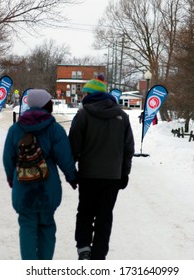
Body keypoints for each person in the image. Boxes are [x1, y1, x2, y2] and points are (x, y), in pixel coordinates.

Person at [3, 89, 78, 260]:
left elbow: (8, 158)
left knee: (27, 227)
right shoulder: (54, 129)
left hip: (23, 187)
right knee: (46, 226)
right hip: (48, 188)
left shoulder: (15, 129)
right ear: (45, 105)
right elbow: (65, 157)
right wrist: (71, 176)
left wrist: (11, 178)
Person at [69, 76, 135, 260]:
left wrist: (71, 173)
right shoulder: (123, 116)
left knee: (85, 213)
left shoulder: (83, 115)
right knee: (104, 217)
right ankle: (99, 256)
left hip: (88, 176)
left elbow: (73, 146)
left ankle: (84, 249)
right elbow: (128, 149)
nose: (82, 97)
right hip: (112, 178)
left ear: (90, 94)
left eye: (84, 93)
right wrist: (124, 174)